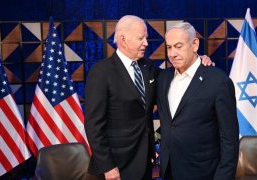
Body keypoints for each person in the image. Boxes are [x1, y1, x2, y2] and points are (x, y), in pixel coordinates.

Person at [85, 15, 213, 180]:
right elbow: (94, 125)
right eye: (141, 38)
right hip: (115, 167)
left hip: (145, 163)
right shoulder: (101, 72)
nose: (146, 42)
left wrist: (197, 61)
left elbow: (173, 76)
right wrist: (108, 167)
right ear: (123, 39)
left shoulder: (147, 67)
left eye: (146, 37)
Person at [156, 22, 239, 180]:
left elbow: (230, 141)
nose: (172, 53)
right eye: (169, 47)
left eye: (178, 46)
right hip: (168, 171)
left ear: (195, 44)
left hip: (203, 173)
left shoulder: (219, 81)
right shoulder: (163, 78)